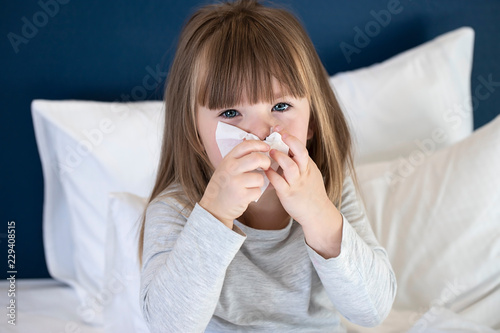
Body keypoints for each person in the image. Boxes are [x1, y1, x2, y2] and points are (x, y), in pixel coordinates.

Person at [138, 0, 397, 331]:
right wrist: (214, 215)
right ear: (194, 132)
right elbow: (167, 325)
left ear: (313, 120)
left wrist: (319, 213)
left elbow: (373, 311)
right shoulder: (176, 208)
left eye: (281, 105)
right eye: (231, 113)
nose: (260, 132)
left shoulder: (331, 189)